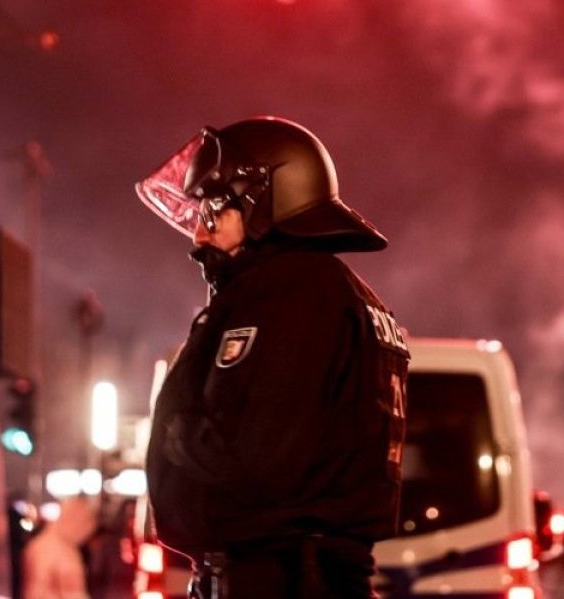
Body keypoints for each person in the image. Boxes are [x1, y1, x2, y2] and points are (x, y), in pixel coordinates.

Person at [135, 116, 410, 598]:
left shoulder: (289, 292)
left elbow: (252, 456)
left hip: (279, 579)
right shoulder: (337, 292)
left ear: (265, 199)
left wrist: (177, 429)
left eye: (213, 212)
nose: (199, 238)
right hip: (302, 573)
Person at [23, 498, 97, 599]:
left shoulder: (68, 548)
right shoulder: (45, 548)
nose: (85, 533)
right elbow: (37, 592)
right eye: (83, 524)